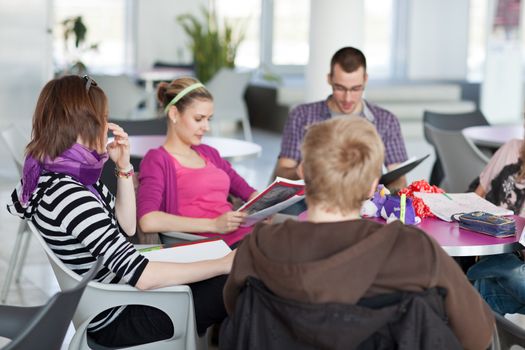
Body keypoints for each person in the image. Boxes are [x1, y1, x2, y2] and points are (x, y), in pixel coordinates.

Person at [223, 117, 494, 349]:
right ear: (372, 186)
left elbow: (238, 313)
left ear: (303, 173)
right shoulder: (415, 251)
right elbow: (478, 336)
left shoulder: (259, 246)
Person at [7, 75, 234, 347]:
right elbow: (144, 277)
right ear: (83, 125)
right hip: (118, 315)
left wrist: (123, 167)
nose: (108, 126)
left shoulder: (61, 173)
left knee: (232, 277)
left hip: (117, 298)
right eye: (103, 119)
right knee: (237, 280)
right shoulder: (71, 195)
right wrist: (223, 263)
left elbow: (126, 226)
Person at [137, 77, 258, 247]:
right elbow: (148, 220)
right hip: (213, 245)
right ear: (174, 114)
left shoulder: (209, 153)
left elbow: (245, 190)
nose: (206, 127)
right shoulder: (157, 159)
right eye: (199, 118)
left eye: (209, 119)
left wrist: (265, 203)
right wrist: (214, 225)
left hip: (244, 236)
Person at [276, 46, 409, 189]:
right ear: (329, 79)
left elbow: (399, 179)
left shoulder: (386, 121)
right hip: (311, 203)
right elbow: (282, 172)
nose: (348, 98)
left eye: (355, 89)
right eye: (340, 88)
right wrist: (300, 172)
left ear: (365, 80)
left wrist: (382, 195)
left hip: (366, 205)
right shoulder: (302, 116)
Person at [467, 135, 525, 315]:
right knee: (515, 276)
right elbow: (476, 196)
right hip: (492, 246)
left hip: (518, 259)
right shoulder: (512, 149)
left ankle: (476, 282)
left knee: (513, 278)